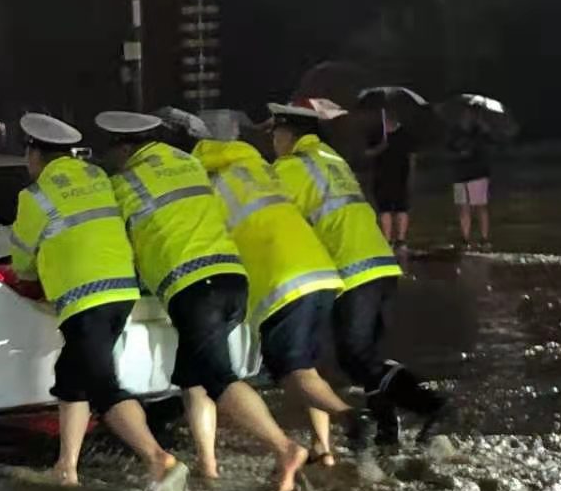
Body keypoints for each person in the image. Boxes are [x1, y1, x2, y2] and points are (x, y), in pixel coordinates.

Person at [97, 109, 309, 491]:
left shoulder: (126, 183)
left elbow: (114, 237)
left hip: (194, 286)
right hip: (231, 277)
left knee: (216, 377)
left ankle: (284, 447)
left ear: (125, 149)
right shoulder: (189, 165)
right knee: (193, 379)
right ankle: (208, 467)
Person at [8, 112, 188, 491]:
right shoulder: (97, 178)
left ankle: (157, 459)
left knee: (103, 386)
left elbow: (22, 259)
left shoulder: (35, 195)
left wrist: (32, 272)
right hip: (121, 289)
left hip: (84, 296)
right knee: (73, 375)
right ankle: (66, 468)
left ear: (35, 154)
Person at [270, 101, 451, 446]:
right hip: (381, 262)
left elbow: (269, 213)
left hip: (352, 269)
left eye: (275, 135)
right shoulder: (331, 159)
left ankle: (430, 406)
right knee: (367, 356)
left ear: (288, 134)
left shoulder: (291, 168)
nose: (273, 143)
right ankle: (386, 432)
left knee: (354, 358)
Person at [193, 122, 365, 466]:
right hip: (321, 272)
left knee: (293, 371)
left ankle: (351, 417)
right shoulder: (259, 167)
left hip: (284, 281)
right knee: (308, 368)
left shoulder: (207, 185)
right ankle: (323, 448)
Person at [366, 109, 415, 246]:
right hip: (382, 177)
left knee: (401, 208)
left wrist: (411, 175)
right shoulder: (377, 133)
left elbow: (411, 156)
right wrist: (379, 148)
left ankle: (401, 239)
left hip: (400, 176)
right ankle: (387, 240)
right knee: (385, 209)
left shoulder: (405, 133)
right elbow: (367, 153)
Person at [449, 119, 493, 247]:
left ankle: (484, 238)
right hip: (460, 175)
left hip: (477, 174)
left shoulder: (481, 131)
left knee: (480, 206)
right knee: (463, 207)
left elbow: (489, 147)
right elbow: (449, 148)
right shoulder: (454, 131)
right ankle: (465, 238)